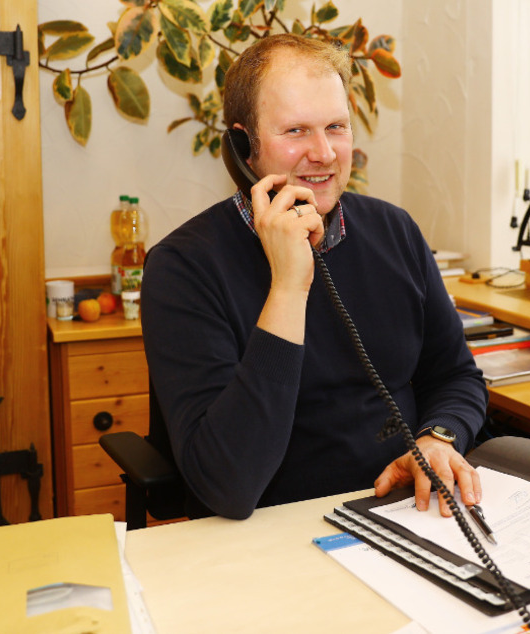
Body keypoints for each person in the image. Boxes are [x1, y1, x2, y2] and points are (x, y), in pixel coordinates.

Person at [140, 33, 488, 521]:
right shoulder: (182, 268)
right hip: (270, 532)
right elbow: (227, 483)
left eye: (336, 127)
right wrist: (287, 285)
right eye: (296, 131)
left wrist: (437, 438)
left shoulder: (396, 230)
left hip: (406, 512)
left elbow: (454, 376)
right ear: (244, 148)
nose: (324, 152)